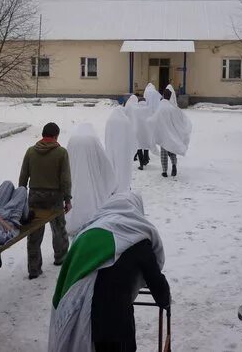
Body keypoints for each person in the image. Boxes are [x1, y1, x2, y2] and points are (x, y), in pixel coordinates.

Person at [49, 191, 170, 352]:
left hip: (76, 310)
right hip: (115, 321)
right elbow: (158, 287)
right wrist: (166, 300)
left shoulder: (87, 233)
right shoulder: (138, 237)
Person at [19, 122, 72, 279]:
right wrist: (67, 199)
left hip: (34, 196)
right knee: (59, 229)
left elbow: (23, 176)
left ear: (43, 135)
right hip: (54, 198)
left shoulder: (30, 152)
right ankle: (61, 257)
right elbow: (65, 179)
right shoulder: (61, 153)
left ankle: (34, 268)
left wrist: (22, 197)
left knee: (34, 233)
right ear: (56, 136)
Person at [65, 123, 117, 236]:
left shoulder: (72, 140)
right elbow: (103, 160)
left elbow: (66, 158)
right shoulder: (93, 140)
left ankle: (74, 221)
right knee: (92, 200)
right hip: (91, 180)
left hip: (74, 177)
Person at [148, 88, 192, 178]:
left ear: (163, 95)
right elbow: (178, 120)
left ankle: (164, 171)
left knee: (164, 153)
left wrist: (148, 122)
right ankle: (174, 165)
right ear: (170, 96)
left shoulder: (160, 107)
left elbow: (154, 119)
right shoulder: (172, 108)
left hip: (163, 134)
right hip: (171, 134)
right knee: (172, 151)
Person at [0, 181, 32, 247]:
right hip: (7, 219)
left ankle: (26, 213)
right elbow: (12, 233)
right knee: (22, 190)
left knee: (8, 184)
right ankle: (26, 216)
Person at [104, 107, 137, 192]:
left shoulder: (110, 121)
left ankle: (113, 187)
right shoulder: (126, 121)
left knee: (113, 167)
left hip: (112, 148)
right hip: (124, 150)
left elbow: (107, 136)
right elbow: (132, 137)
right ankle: (124, 186)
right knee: (124, 169)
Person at [124, 94, 155, 170]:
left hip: (138, 131)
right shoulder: (149, 109)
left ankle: (141, 164)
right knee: (146, 145)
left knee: (139, 147)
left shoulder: (135, 109)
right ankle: (146, 159)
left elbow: (130, 115)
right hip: (147, 130)